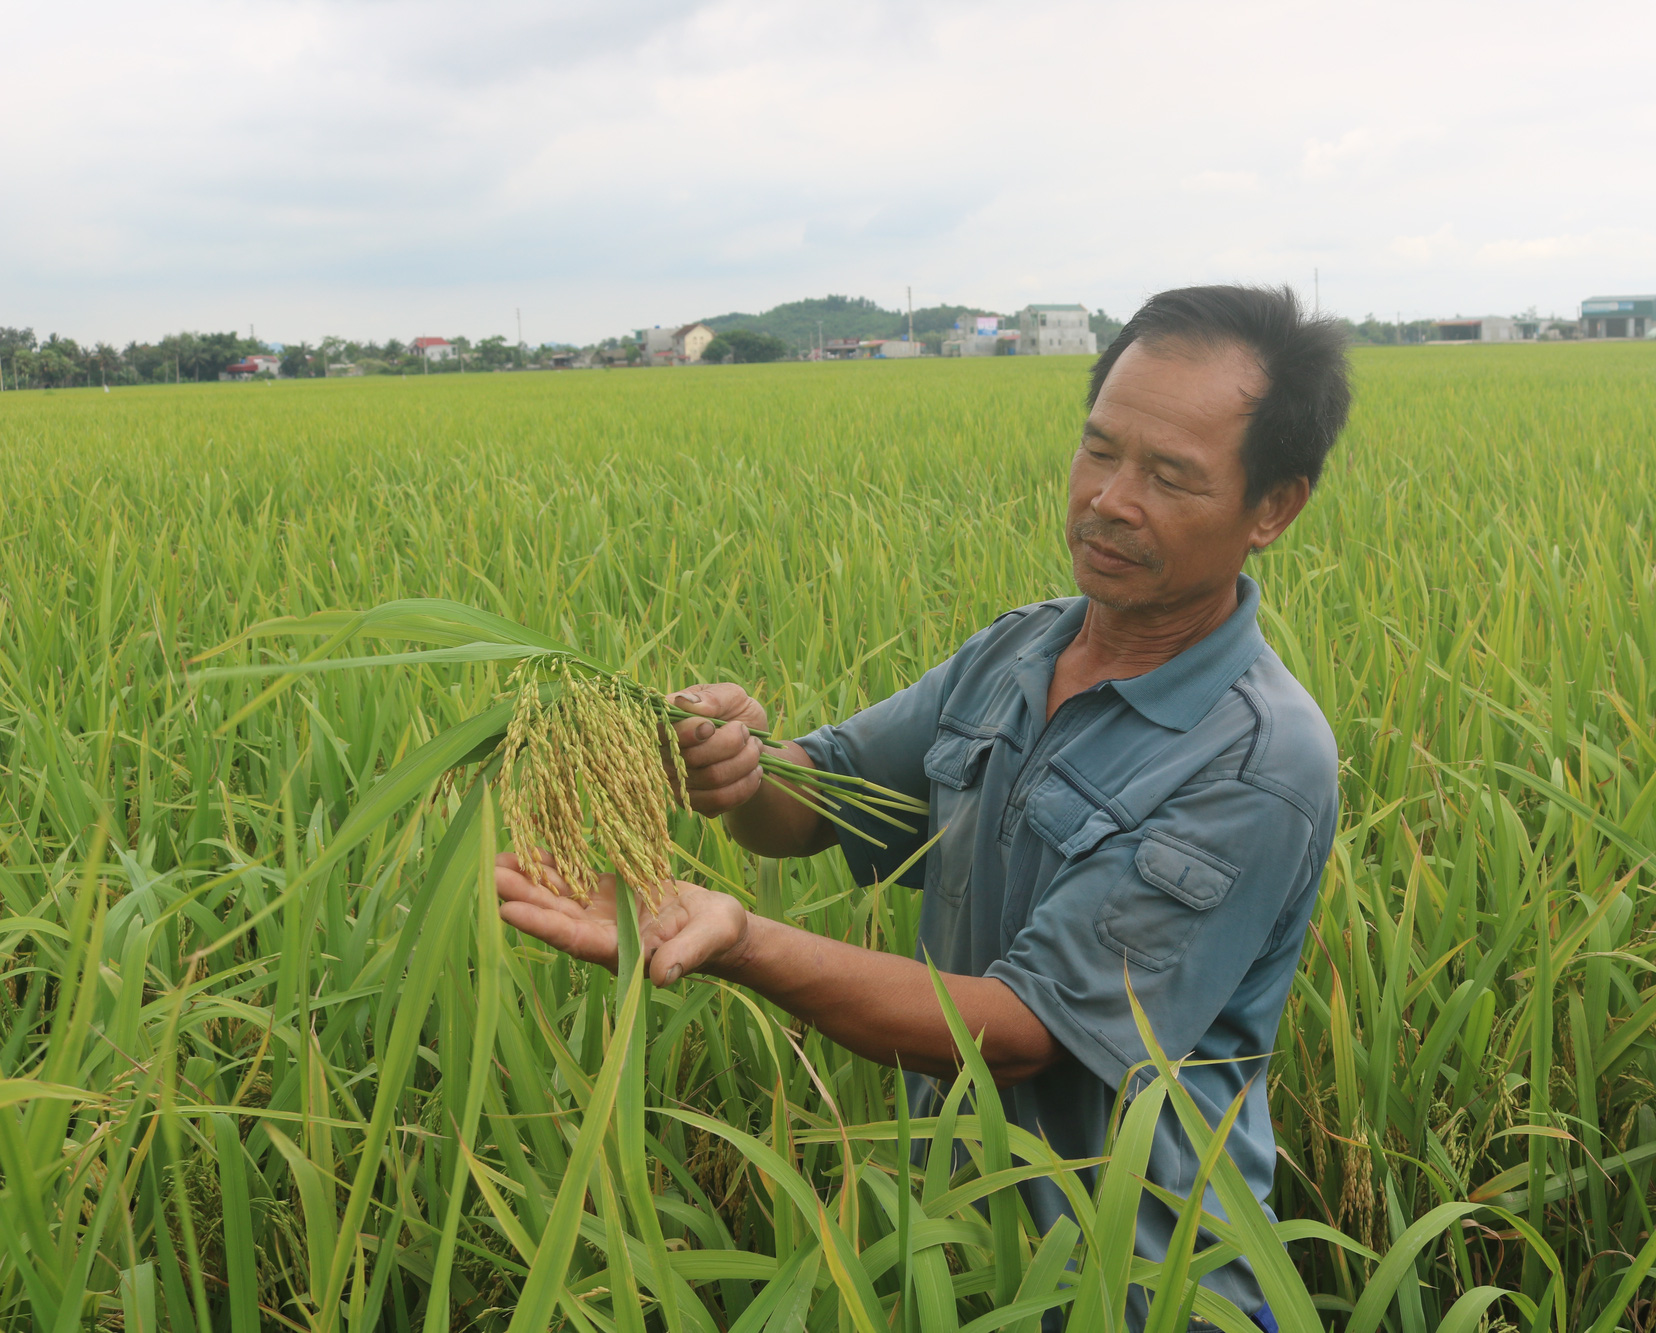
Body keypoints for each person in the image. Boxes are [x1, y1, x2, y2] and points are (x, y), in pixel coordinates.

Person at [496, 284, 1350, 1330]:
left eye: (1169, 476)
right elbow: (817, 803)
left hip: (1144, 1290)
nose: (1108, 500)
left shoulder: (1256, 759)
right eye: (1097, 450)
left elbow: (1028, 1029)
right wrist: (736, 766)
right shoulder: (1018, 650)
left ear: (1272, 507)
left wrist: (738, 939)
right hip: (964, 1255)